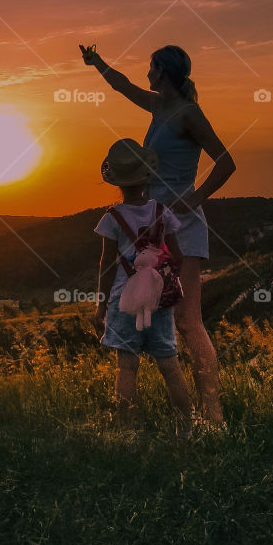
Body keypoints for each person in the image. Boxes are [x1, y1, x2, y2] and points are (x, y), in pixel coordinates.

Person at [81, 43, 234, 426]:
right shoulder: (158, 106)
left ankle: (213, 417)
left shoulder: (188, 113)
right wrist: (97, 61)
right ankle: (185, 413)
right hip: (153, 226)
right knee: (167, 319)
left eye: (150, 67)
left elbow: (225, 161)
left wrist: (194, 198)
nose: (146, 73)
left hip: (181, 225)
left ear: (161, 71)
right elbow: (122, 86)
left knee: (187, 321)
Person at [93, 138, 193, 435]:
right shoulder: (162, 212)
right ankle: (187, 426)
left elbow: (106, 265)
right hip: (158, 301)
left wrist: (100, 307)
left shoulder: (112, 219)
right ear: (146, 177)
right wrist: (164, 281)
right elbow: (178, 255)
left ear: (118, 183)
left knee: (127, 367)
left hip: (124, 303)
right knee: (170, 365)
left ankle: (126, 428)